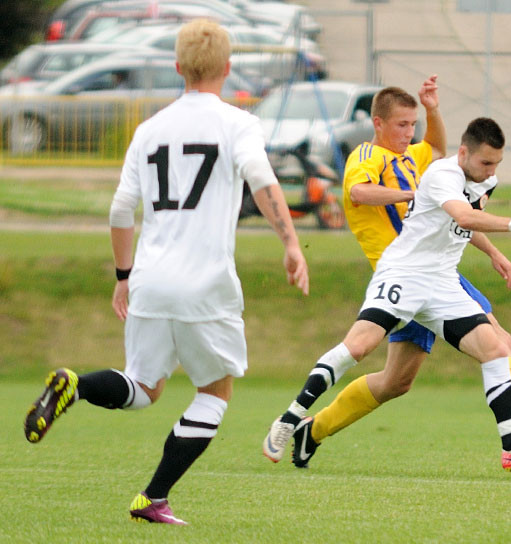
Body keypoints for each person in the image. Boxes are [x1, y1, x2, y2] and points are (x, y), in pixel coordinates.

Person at [23, 19, 309, 525]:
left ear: (178, 67)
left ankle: (77, 385)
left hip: (151, 279)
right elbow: (262, 179)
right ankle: (153, 496)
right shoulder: (237, 123)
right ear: (226, 68)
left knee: (143, 387)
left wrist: (123, 276)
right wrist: (291, 243)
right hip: (206, 285)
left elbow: (119, 212)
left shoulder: (149, 129)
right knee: (215, 393)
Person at [263, 77, 511, 469]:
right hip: (400, 273)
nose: (410, 132)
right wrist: (416, 196)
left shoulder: (419, 162)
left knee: (419, 374)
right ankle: (290, 420)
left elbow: (445, 172)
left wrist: (492, 250)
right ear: (378, 123)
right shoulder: (370, 156)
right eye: (402, 124)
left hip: (439, 275)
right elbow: (358, 193)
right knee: (363, 350)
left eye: (413, 124)